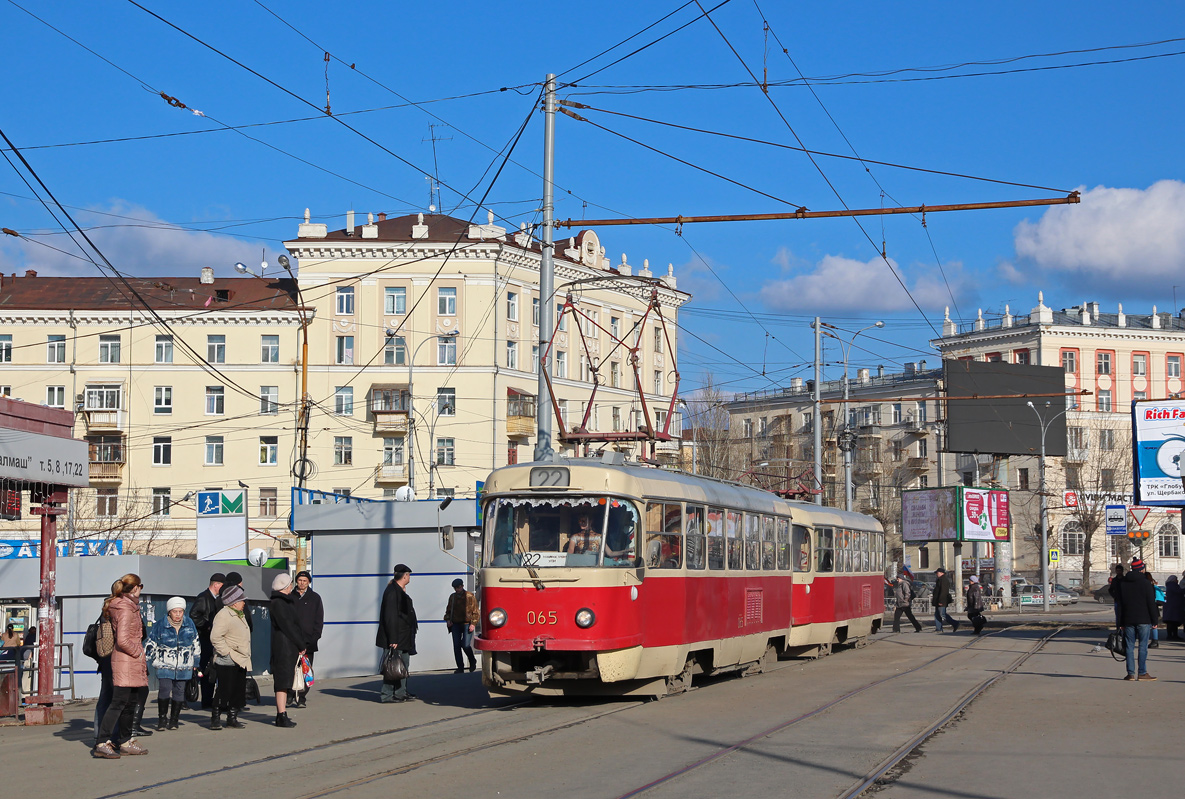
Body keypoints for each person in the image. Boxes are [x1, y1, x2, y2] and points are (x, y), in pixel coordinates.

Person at [92, 574, 150, 760]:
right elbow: (123, 640)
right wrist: (138, 652)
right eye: (140, 586)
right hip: (125, 660)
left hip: (130, 661)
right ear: (134, 588)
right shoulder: (125, 608)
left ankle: (125, 741)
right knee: (118, 702)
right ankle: (102, 742)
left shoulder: (129, 607)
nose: (141, 589)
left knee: (130, 702)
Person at [144, 597, 199, 731]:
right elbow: (151, 643)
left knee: (179, 692)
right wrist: (144, 660)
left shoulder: (189, 623)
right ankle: (162, 719)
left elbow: (196, 643)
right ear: (169, 612)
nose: (178, 615)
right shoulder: (160, 625)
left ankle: (174, 720)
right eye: (175, 611)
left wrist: (196, 662)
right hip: (164, 663)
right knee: (164, 689)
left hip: (184, 665)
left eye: (181, 611)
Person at [209, 584, 251, 730]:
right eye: (242, 600)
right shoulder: (224, 615)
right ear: (234, 602)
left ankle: (232, 718)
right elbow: (215, 637)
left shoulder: (240, 614)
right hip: (228, 659)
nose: (244, 602)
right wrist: (226, 652)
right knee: (224, 690)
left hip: (241, 659)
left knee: (237, 690)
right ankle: (215, 718)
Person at [376, 564, 418, 703]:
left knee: (403, 665)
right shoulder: (392, 592)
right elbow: (390, 617)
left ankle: (401, 692)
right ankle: (387, 695)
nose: (409, 577)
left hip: (403, 636)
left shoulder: (398, 590)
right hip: (396, 637)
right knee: (392, 665)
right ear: (405, 575)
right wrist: (393, 638)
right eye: (409, 575)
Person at [268, 573, 305, 728]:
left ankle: (282, 714)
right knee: (282, 681)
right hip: (284, 646)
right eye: (290, 584)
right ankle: (281, 714)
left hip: (287, 645)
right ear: (285, 586)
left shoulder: (284, 602)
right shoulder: (279, 603)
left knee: (285, 681)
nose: (292, 586)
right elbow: (288, 626)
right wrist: (300, 644)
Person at [1117, 558, 1159, 681]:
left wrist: (1120, 622)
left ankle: (1130, 673)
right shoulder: (1146, 583)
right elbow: (1151, 603)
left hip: (1128, 619)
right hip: (1144, 619)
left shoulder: (1123, 583)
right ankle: (1142, 673)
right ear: (1141, 569)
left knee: (1129, 646)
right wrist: (1154, 620)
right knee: (1143, 646)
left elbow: (1120, 604)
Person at [188, 572, 224, 709]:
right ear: (216, 585)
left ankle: (211, 699)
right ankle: (207, 700)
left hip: (212, 640)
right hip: (205, 641)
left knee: (213, 670)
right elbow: (194, 616)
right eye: (222, 585)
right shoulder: (204, 598)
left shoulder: (216, 599)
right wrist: (208, 626)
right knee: (206, 670)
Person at [291, 570, 323, 709]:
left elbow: (319, 620)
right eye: (300, 580)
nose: (302, 583)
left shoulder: (314, 598)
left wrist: (315, 637)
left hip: (308, 642)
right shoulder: (290, 596)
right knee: (291, 670)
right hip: (291, 641)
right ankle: (290, 695)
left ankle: (302, 697)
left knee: (306, 671)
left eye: (305, 581)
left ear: (309, 582)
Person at [444, 578, 478, 673]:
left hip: (467, 623)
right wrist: (448, 620)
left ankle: (472, 661)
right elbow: (448, 610)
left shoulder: (470, 596)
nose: (457, 589)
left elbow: (476, 611)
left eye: (458, 587)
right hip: (455, 624)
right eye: (455, 588)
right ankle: (460, 667)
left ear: (462, 586)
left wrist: (473, 623)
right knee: (456, 646)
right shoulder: (453, 597)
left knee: (466, 645)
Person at [932, 567, 960, 633]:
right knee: (937, 614)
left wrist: (941, 601)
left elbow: (944, 592)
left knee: (942, 614)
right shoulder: (940, 579)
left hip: (941, 600)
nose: (936, 574)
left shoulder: (944, 580)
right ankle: (939, 628)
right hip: (938, 600)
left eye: (937, 573)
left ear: (942, 573)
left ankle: (955, 623)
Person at [1163, 575, 1184, 640]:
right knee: (1172, 622)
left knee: (1172, 622)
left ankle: (1172, 635)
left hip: (1172, 606)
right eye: (1176, 579)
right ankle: (1172, 635)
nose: (1177, 580)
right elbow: (1179, 591)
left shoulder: (1169, 585)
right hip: (1173, 607)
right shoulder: (1172, 585)